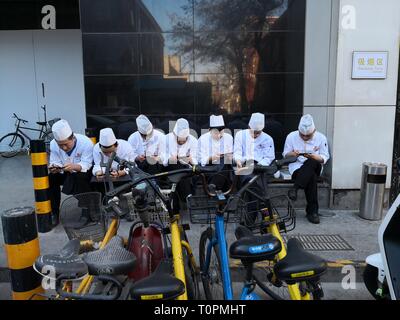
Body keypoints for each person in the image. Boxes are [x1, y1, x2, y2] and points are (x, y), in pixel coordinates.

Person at [283, 114, 330, 224]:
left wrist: (314, 156)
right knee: (311, 177)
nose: (304, 137)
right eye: (302, 135)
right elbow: (285, 155)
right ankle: (312, 212)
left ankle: (296, 187)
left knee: (312, 161)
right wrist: (292, 154)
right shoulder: (291, 136)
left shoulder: (321, 138)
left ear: (314, 131)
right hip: (296, 167)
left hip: (315, 166)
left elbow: (325, 157)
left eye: (307, 136)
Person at [48, 119, 94, 226]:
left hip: (82, 171)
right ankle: (54, 212)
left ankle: (86, 211)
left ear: (73, 138)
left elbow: (87, 164)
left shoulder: (85, 142)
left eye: (66, 144)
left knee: (80, 177)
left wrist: (75, 166)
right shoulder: (53, 144)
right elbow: (55, 161)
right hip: (64, 170)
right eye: (60, 145)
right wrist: (54, 167)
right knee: (51, 178)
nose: (63, 148)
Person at [164, 118, 198, 206]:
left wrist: (191, 159)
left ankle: (184, 198)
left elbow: (196, 159)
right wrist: (170, 159)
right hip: (171, 167)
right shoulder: (166, 139)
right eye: (179, 141)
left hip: (187, 168)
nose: (182, 142)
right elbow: (163, 158)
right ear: (175, 135)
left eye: (184, 140)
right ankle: (188, 196)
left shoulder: (193, 140)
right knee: (180, 167)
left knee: (184, 171)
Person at [92, 128, 136, 193]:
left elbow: (131, 165)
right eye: (105, 153)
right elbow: (97, 165)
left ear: (117, 146)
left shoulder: (126, 146)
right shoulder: (96, 148)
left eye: (111, 152)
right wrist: (98, 172)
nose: (109, 155)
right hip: (106, 178)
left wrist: (121, 172)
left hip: (125, 177)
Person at [197, 114, 233, 191]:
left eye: (222, 132)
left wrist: (230, 156)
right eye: (216, 133)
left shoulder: (229, 137)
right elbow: (200, 159)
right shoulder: (203, 139)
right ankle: (215, 186)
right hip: (209, 167)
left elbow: (232, 153)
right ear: (210, 130)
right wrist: (211, 158)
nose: (219, 135)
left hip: (225, 167)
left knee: (225, 161)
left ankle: (214, 185)